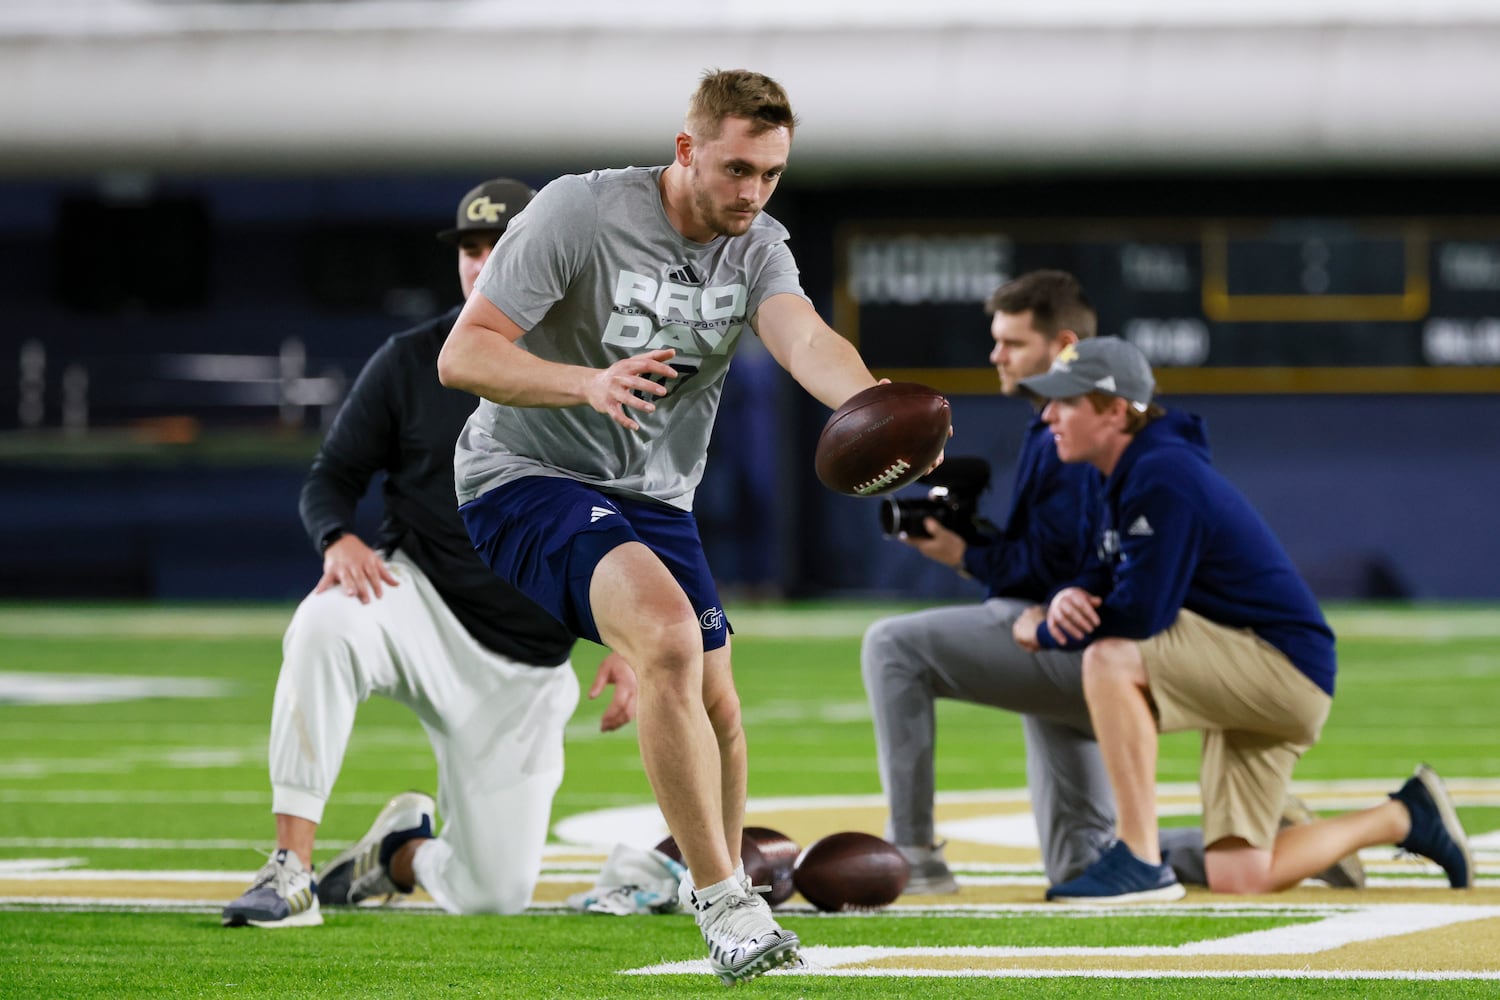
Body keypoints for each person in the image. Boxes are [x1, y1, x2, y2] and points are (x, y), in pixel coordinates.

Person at [437, 69, 892, 984]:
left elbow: (803, 336)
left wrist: (875, 407)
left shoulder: (758, 246)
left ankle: (722, 889)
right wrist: (587, 382)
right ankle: (722, 904)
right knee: (671, 639)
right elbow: (464, 354)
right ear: (687, 150)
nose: (753, 193)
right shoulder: (579, 212)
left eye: (772, 174)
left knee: (719, 705)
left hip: (654, 496)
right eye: (737, 170)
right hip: (525, 473)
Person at [221, 178, 637, 929]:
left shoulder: (600, 366)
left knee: (493, 893)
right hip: (417, 603)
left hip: (526, 667)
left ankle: (399, 856)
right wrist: (338, 537)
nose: (482, 263)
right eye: (471, 248)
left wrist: (631, 636)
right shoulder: (413, 358)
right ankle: (289, 869)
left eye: (502, 246)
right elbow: (331, 477)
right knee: (324, 624)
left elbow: (644, 508)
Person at [1014, 337, 1473, 902]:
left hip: (1280, 667)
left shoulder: (1162, 474)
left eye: (1066, 401)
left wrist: (1042, 629)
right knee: (1241, 877)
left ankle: (1138, 857)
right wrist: (1068, 595)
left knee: (1110, 659)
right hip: (1255, 665)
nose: (1049, 415)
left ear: (1113, 410)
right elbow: (1101, 566)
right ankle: (1404, 815)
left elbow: (1141, 613)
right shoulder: (1121, 471)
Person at [863, 271, 1221, 894]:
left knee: (893, 647)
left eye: (1012, 343)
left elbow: (1059, 571)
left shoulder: (1086, 435)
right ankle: (1264, 839)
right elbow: (1059, 557)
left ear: (1063, 347)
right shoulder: (1057, 425)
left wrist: (968, 555)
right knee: (1081, 863)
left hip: (1102, 644)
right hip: (1094, 640)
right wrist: (973, 547)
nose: (995, 355)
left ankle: (913, 856)